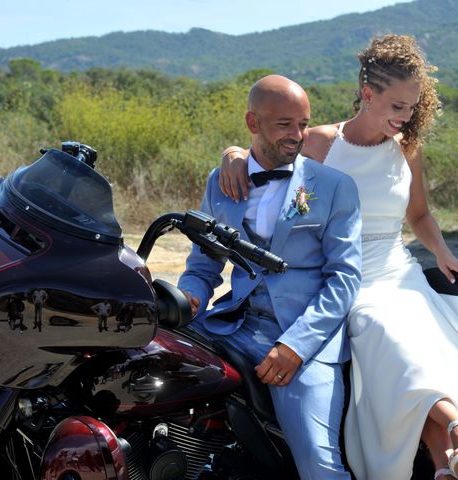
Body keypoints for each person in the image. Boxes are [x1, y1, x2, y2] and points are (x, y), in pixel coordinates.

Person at [218, 35, 458, 480]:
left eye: (411, 108)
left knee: (415, 350)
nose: (405, 118)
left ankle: (450, 459)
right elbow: (275, 171)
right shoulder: (322, 143)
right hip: (347, 276)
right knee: (385, 334)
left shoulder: (407, 150)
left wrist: (442, 253)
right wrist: (232, 155)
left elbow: (419, 214)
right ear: (368, 95)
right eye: (397, 106)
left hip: (399, 275)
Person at [178, 74, 363, 479]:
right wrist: (185, 299)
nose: (297, 135)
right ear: (252, 123)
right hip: (233, 324)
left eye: (303, 124)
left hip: (303, 338)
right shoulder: (222, 180)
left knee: (319, 464)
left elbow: (345, 277)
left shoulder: (334, 187)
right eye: (285, 125)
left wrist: (296, 346)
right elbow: (203, 265)